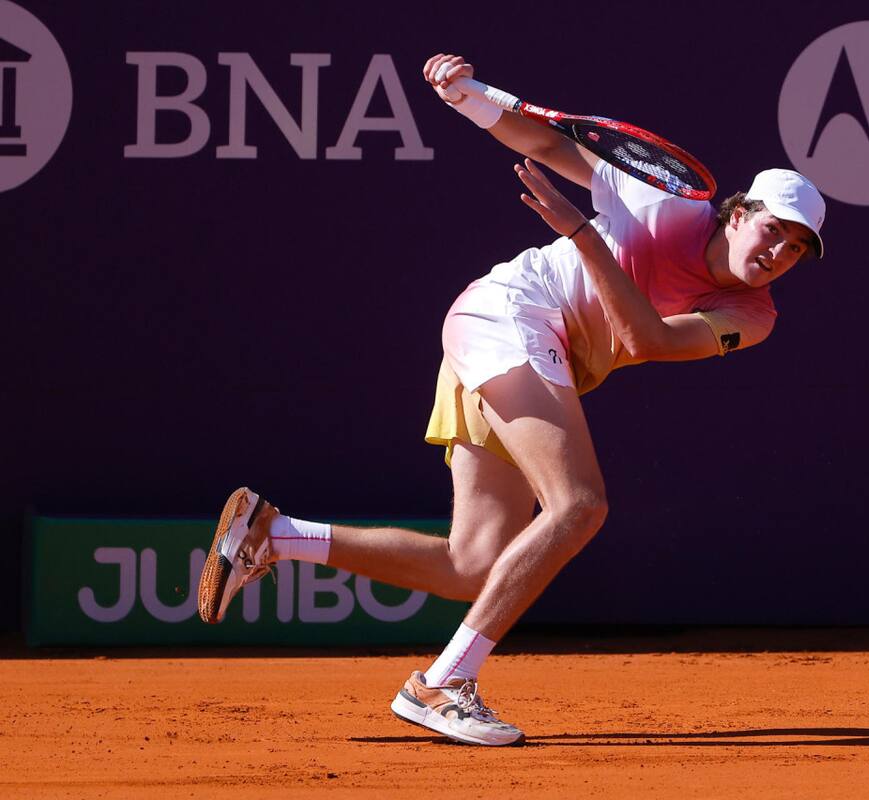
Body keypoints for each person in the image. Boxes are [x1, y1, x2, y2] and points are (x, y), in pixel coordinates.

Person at [197, 53, 827, 747]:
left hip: (531, 350)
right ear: (737, 214)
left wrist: (584, 236)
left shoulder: (755, 315)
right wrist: (464, 99)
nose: (778, 253)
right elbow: (548, 142)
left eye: (797, 249)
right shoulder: (666, 199)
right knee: (579, 504)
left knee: (473, 565)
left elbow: (644, 339)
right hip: (511, 316)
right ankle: (443, 684)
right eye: (774, 230)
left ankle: (273, 535)